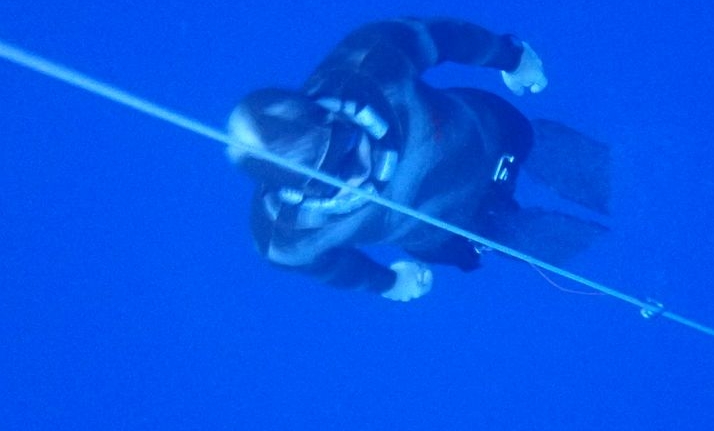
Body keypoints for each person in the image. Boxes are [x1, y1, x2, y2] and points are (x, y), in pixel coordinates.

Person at [226, 17, 610, 301]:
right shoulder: (285, 234)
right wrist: (386, 283)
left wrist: (511, 57)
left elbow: (440, 37)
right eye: (327, 180)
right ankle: (611, 256)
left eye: (345, 145)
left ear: (327, 114)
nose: (356, 173)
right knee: (558, 248)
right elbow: (322, 264)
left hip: (498, 135)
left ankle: (618, 186)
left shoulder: (369, 65)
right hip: (461, 230)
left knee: (555, 153)